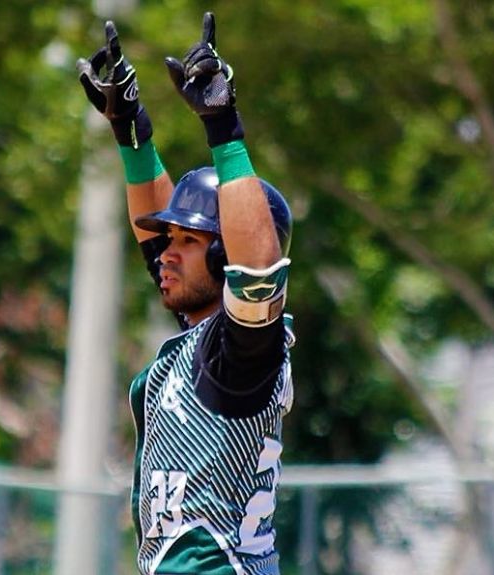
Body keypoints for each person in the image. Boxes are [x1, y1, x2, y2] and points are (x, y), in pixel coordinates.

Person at [77, 12, 294, 575]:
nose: (164, 252)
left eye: (189, 241)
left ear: (225, 258)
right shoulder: (203, 338)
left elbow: (260, 268)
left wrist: (224, 128)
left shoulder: (245, 354)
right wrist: (131, 132)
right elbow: (159, 248)